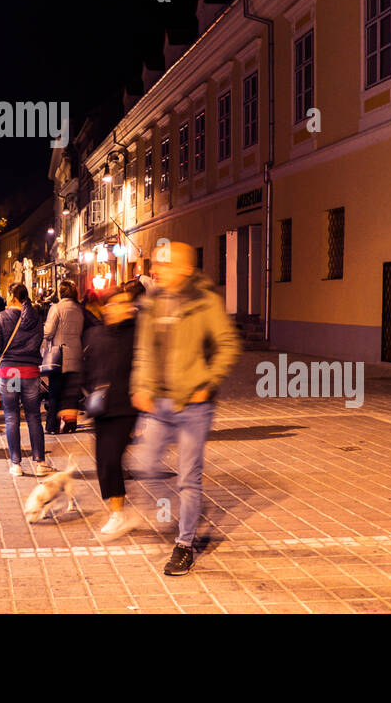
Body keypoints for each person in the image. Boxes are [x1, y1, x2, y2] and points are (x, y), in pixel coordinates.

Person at [131, 241, 241, 576]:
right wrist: (140, 384)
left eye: (163, 264)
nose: (156, 270)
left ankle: (184, 545)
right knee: (147, 466)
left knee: (188, 479)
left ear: (184, 269)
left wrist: (207, 383)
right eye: (157, 264)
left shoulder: (205, 302)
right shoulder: (152, 303)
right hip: (159, 402)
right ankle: (175, 512)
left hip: (194, 404)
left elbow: (227, 344)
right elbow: (144, 350)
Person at [83, 279, 145, 540]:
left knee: (110, 458)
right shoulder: (95, 334)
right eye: (115, 305)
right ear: (106, 308)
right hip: (101, 408)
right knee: (105, 462)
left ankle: (118, 514)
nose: (122, 309)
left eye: (126, 304)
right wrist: (73, 403)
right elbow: (84, 369)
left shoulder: (139, 333)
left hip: (126, 406)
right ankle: (119, 509)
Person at [0, 282, 52, 477]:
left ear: (12, 296)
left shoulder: (2, 317)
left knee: (12, 416)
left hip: (11, 373)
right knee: (33, 416)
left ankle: (16, 464)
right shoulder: (35, 317)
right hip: (30, 372)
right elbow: (39, 341)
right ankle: (40, 462)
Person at [42, 279, 86, 435]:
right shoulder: (80, 309)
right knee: (71, 393)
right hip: (76, 354)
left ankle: (52, 426)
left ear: (60, 293)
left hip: (59, 357)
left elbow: (48, 332)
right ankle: (70, 425)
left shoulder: (57, 308)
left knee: (55, 392)